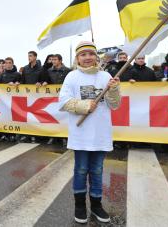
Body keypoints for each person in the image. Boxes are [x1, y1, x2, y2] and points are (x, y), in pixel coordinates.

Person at [59, 41, 121, 224]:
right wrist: (84, 105)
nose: (87, 58)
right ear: (77, 58)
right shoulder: (71, 76)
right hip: (81, 134)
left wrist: (114, 90)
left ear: (97, 57)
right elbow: (63, 101)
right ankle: (79, 205)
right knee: (81, 169)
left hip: (101, 134)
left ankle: (96, 204)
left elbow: (115, 105)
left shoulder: (106, 76)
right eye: (83, 54)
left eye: (91, 54)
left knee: (97, 170)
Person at [46, 54, 71, 146]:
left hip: (64, 97)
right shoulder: (49, 71)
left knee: (64, 117)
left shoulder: (68, 70)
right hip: (52, 97)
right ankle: (53, 136)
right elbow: (47, 81)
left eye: (55, 59)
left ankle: (64, 137)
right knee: (54, 117)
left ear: (60, 60)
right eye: (52, 60)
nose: (53, 61)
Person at [0, 57, 21, 142]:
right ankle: (4, 134)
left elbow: (22, 85)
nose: (7, 64)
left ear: (12, 64)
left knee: (12, 117)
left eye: (9, 63)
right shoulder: (2, 74)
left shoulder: (17, 74)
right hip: (4, 99)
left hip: (13, 99)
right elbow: (0, 86)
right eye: (6, 63)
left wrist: (17, 84)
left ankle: (13, 135)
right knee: (4, 117)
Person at [20, 51, 43, 143]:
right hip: (27, 95)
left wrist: (40, 83)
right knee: (27, 116)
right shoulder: (25, 68)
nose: (29, 57)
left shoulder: (41, 68)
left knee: (35, 116)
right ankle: (27, 134)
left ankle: (35, 135)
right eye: (28, 56)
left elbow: (44, 80)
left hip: (37, 96)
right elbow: (23, 81)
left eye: (30, 56)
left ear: (35, 57)